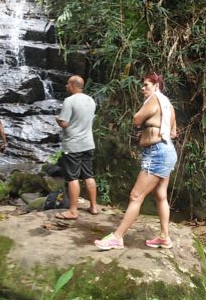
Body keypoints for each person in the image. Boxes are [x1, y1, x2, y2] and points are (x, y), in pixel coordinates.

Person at [95, 73, 179, 250]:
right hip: (167, 151)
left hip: (157, 154)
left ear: (156, 86)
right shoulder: (168, 105)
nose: (142, 88)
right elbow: (173, 133)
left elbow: (136, 119)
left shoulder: (154, 99)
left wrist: (149, 134)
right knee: (160, 195)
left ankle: (117, 237)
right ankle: (164, 237)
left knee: (135, 196)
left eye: (146, 85)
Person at [54, 76, 99, 220]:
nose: (66, 86)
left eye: (68, 84)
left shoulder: (69, 101)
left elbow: (64, 123)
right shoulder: (91, 100)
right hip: (88, 143)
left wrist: (57, 119)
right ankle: (93, 206)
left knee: (72, 177)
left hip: (73, 145)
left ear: (73, 85)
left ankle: (73, 211)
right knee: (88, 175)